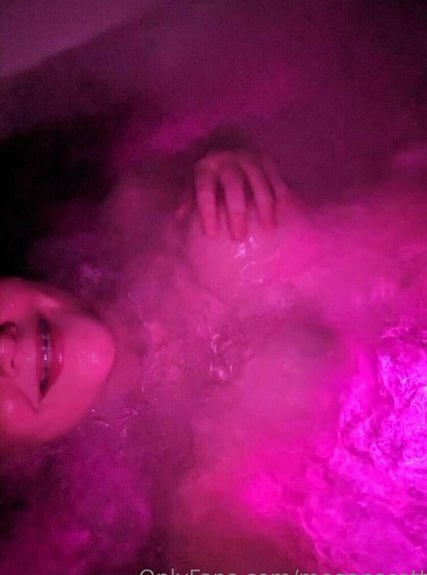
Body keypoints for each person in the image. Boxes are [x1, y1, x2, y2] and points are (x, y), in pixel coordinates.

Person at [0, 148, 292, 446]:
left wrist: (231, 156)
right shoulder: (199, 466)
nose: (3, 346)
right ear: (14, 462)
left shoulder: (139, 206)